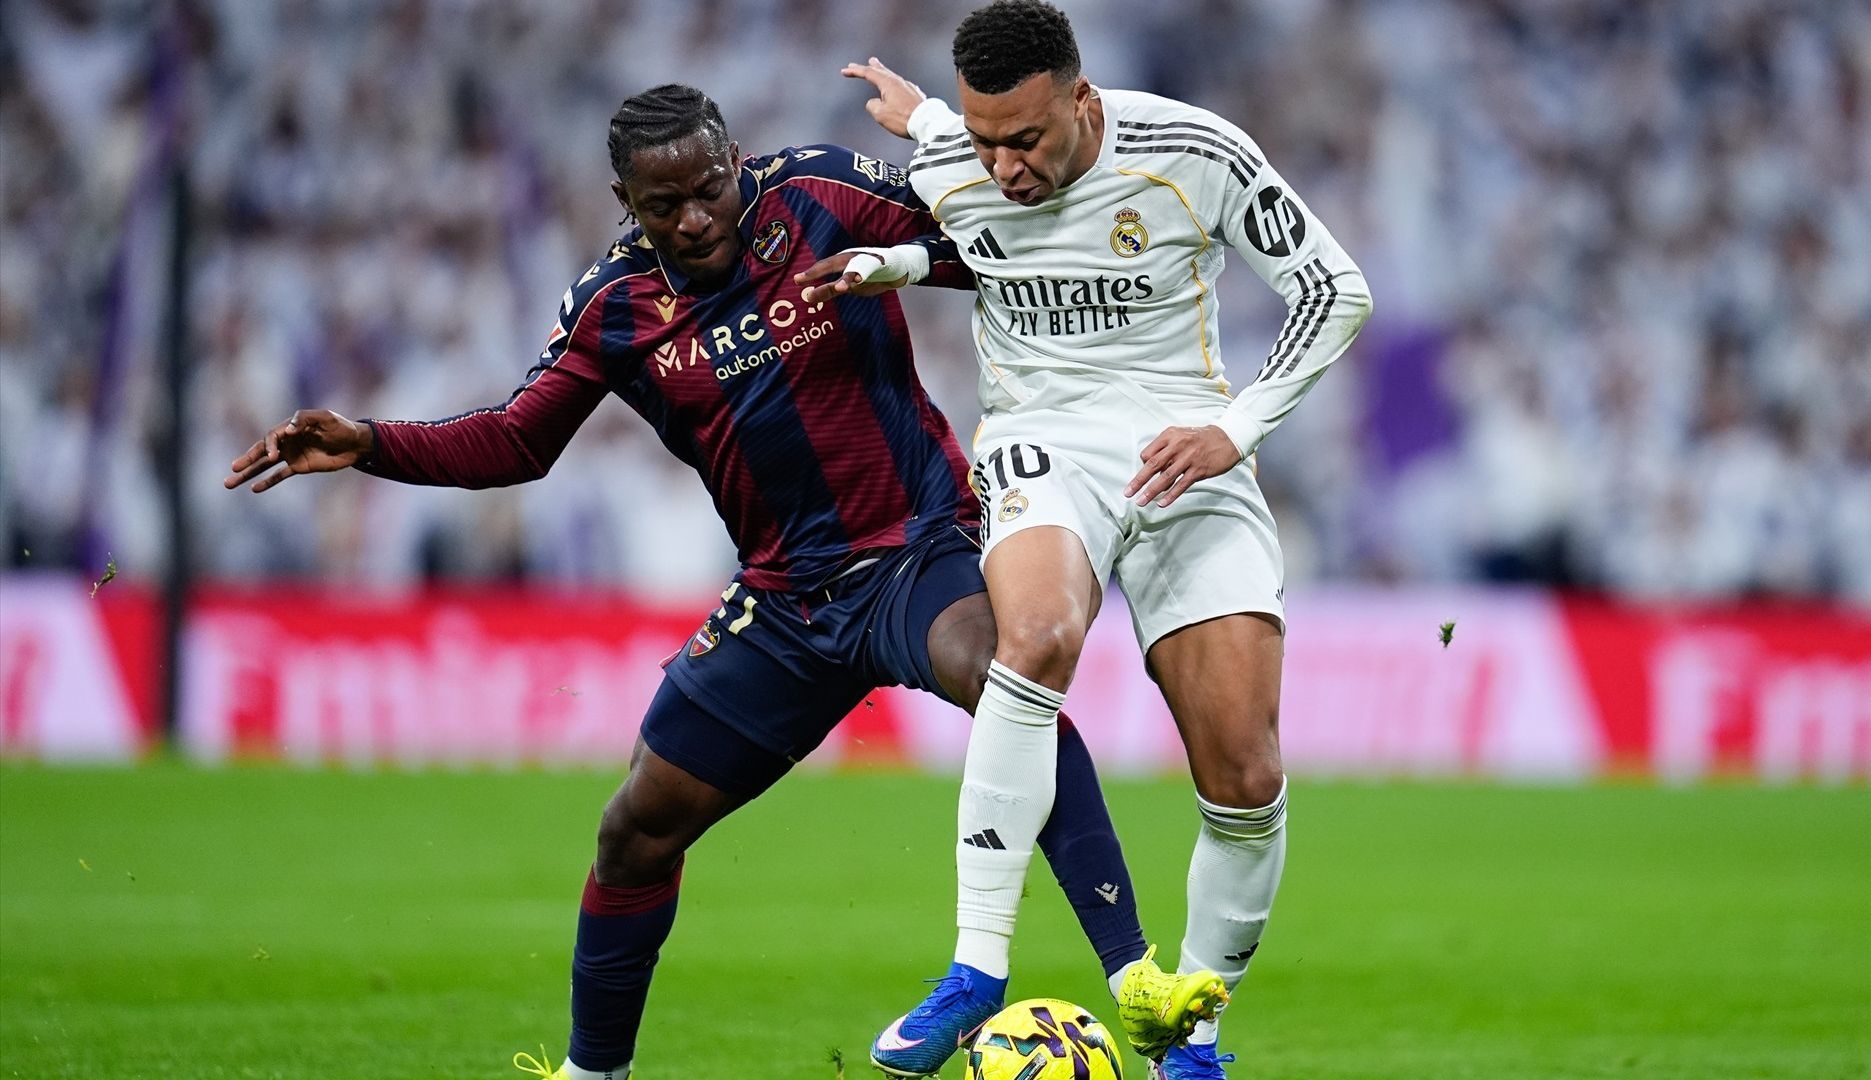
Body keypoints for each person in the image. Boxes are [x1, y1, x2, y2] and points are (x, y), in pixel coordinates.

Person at [224, 83, 1186, 1080]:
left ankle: (1137, 990)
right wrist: (372, 442)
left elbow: (987, 242)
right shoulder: (614, 306)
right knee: (636, 830)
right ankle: (594, 1074)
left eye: (709, 188)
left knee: (1008, 679)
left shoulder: (820, 193)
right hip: (783, 604)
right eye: (663, 204)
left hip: (917, 547)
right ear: (623, 201)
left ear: (736, 159)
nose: (694, 217)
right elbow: (519, 440)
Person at [828, 4, 1374, 1077]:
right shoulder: (960, 155)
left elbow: (1334, 290)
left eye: (1025, 140)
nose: (1004, 167)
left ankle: (1191, 1041)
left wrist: (1236, 428)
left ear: (1083, 103)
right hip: (1043, 436)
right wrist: (908, 205)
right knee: (1028, 641)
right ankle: (975, 967)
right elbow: (967, 236)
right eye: (982, 141)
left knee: (1247, 772)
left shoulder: (1193, 151)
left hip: (1189, 441)